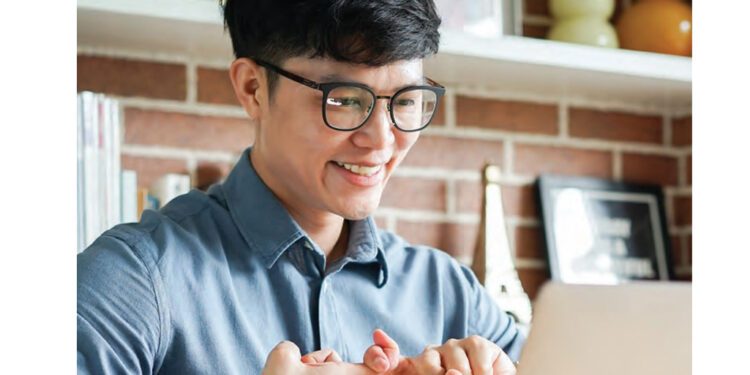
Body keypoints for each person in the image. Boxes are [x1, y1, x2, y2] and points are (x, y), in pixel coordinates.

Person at [77, 0, 525, 373]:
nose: (382, 140)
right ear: (253, 88)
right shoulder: (135, 278)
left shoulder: (451, 294)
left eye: (406, 102)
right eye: (346, 100)